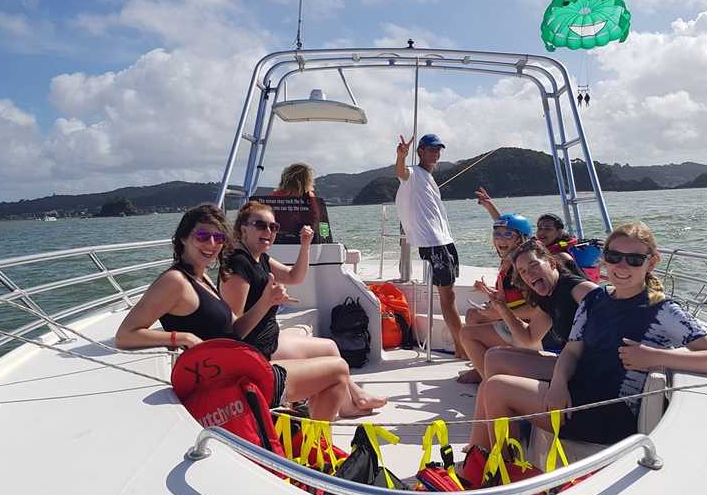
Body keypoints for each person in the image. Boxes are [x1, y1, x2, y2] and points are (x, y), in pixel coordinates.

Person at [472, 221, 707, 449]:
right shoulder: (595, 299)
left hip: (610, 413)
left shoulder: (663, 310)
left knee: (497, 388)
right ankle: (484, 460)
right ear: (603, 258)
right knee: (489, 385)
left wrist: (655, 357)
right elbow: (572, 351)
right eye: (613, 256)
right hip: (577, 393)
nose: (622, 265)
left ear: (651, 262)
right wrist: (559, 383)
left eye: (634, 259)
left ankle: (500, 475)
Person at [114, 204, 352, 421]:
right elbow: (126, 335)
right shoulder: (175, 281)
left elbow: (234, 332)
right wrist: (181, 337)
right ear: (183, 238)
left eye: (218, 237)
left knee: (333, 364)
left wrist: (266, 302)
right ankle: (318, 446)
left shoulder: (202, 277)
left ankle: (313, 440)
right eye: (202, 236)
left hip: (241, 369)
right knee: (338, 370)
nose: (211, 244)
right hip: (234, 385)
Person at [219, 200, 386, 417]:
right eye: (261, 225)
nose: (269, 231)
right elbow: (234, 331)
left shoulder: (260, 259)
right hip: (256, 351)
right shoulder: (238, 264)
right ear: (243, 229)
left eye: (273, 227)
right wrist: (268, 301)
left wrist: (305, 245)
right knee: (335, 362)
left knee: (330, 347)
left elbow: (293, 277)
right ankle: (353, 401)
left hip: (269, 339)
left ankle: (349, 403)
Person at [463, 237, 598, 448]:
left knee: (493, 385)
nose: (529, 274)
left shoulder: (577, 289)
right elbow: (529, 337)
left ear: (551, 263)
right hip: (569, 363)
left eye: (534, 265)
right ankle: (486, 444)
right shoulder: (548, 295)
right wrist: (502, 309)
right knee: (494, 357)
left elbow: (605, 307)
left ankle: (490, 451)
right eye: (523, 271)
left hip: (584, 372)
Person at [395, 133, 464, 357]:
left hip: (445, 239)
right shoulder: (414, 173)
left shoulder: (428, 177)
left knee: (450, 293)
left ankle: (462, 344)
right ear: (421, 151)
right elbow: (401, 173)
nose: (436, 153)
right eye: (431, 149)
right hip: (432, 241)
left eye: (438, 149)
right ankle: (462, 346)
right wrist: (401, 157)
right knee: (448, 295)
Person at [456, 212, 535, 384]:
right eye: (497, 234)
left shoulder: (522, 267)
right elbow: (513, 295)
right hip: (513, 319)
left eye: (508, 234)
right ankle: (482, 369)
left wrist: (499, 314)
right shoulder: (509, 261)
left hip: (529, 331)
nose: (501, 239)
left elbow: (536, 310)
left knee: (466, 333)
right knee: (472, 315)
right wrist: (488, 292)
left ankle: (491, 383)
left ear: (521, 239)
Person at [475, 188, 576, 264]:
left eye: (547, 229)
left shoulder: (562, 255)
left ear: (559, 232)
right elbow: (507, 227)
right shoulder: (533, 245)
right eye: (539, 228)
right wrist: (489, 205)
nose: (542, 232)